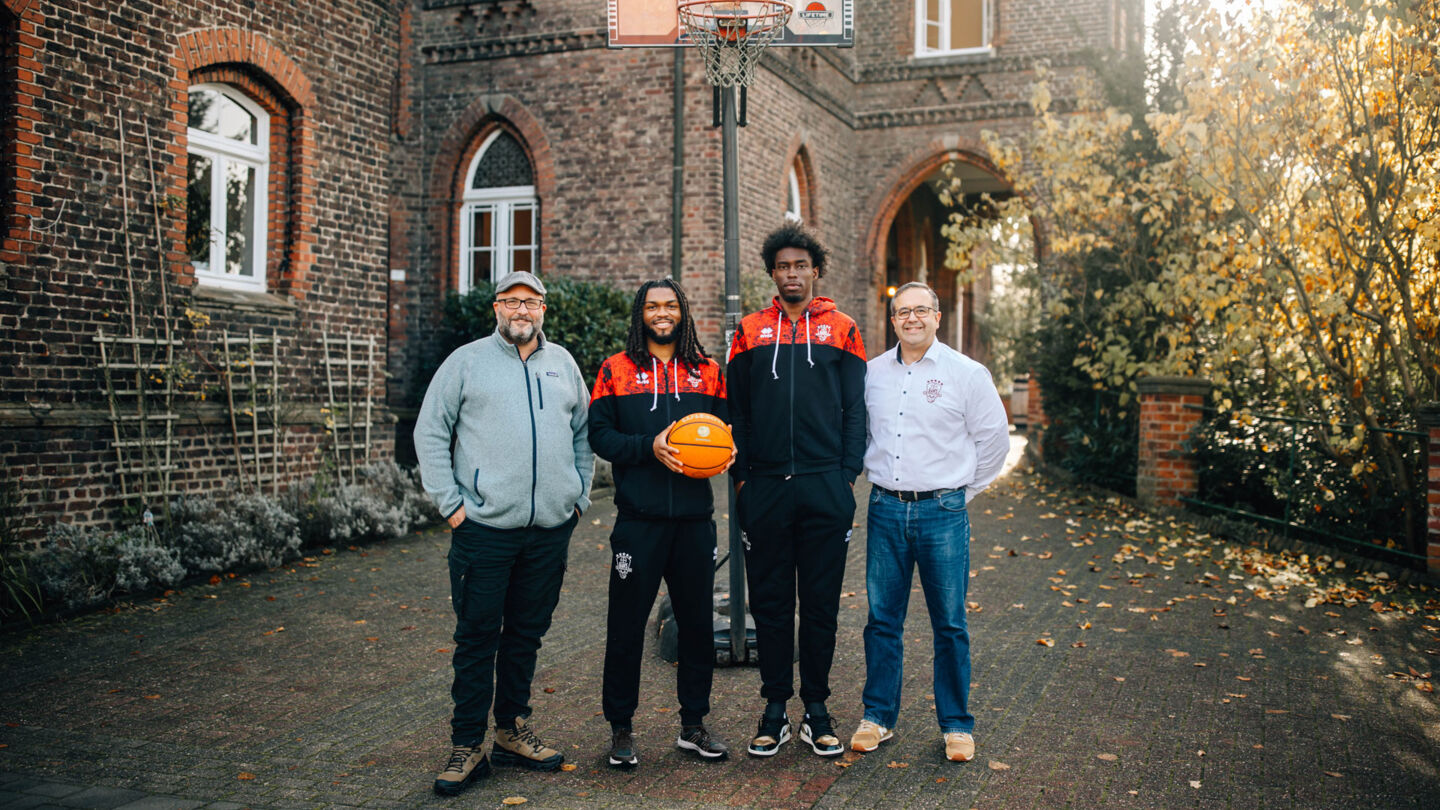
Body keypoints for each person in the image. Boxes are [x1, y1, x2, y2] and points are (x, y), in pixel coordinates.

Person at [414, 270, 594, 797]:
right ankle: (467, 744)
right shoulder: (466, 361)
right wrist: (452, 505)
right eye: (512, 300)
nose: (522, 309)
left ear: (544, 310)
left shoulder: (562, 364)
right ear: (496, 307)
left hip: (549, 532)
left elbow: (582, 430)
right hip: (484, 531)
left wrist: (578, 496)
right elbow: (430, 431)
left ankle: (512, 731)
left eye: (532, 301)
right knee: (476, 639)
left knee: (524, 636)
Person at [849, 281, 1009, 763]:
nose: (911, 318)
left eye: (921, 311)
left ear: (937, 317)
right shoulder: (870, 374)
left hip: (943, 513)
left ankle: (957, 725)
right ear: (892, 320)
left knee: (950, 624)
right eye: (902, 312)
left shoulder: (967, 373)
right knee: (881, 620)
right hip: (886, 508)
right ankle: (878, 717)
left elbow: (994, 443)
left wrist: (960, 494)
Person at [726, 223, 867, 758]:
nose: (792, 274)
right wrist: (742, 479)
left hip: (825, 488)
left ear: (815, 271)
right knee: (771, 601)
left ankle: (818, 708)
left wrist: (845, 474)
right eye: (783, 266)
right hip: (763, 489)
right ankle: (774, 708)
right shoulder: (749, 330)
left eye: (800, 266)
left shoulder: (843, 329)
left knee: (822, 604)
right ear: (772, 272)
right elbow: (735, 410)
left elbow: (856, 409)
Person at [588, 278, 734, 768]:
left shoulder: (708, 372)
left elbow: (728, 431)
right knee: (626, 626)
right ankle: (621, 730)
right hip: (639, 522)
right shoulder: (616, 370)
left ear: (683, 312)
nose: (662, 313)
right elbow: (600, 436)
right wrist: (647, 447)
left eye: (670, 305)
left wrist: (729, 451)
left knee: (696, 626)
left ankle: (693, 725)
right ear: (641, 313)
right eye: (653, 306)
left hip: (695, 522)